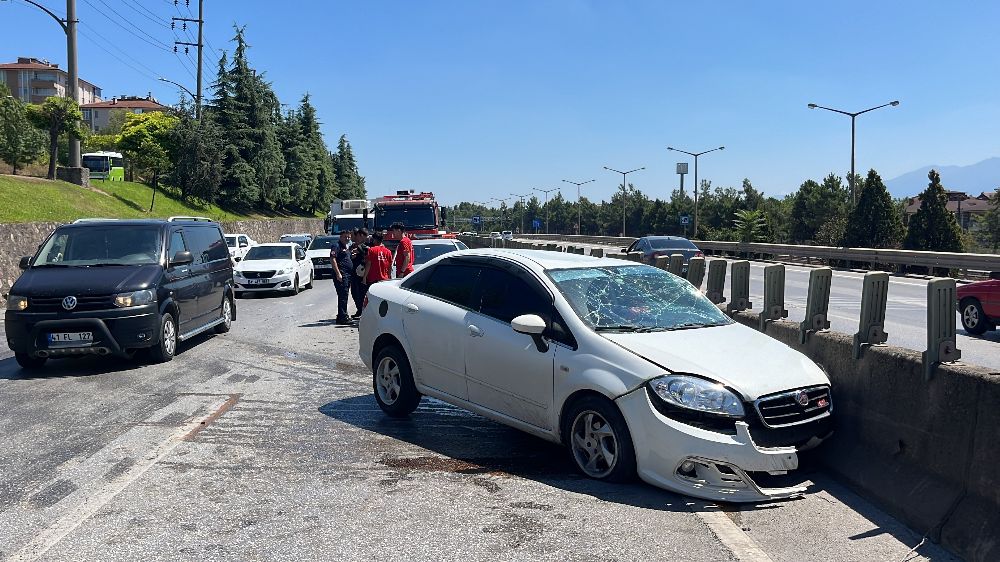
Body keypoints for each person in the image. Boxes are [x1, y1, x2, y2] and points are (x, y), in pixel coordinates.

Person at [330, 229, 353, 325]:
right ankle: (342, 317)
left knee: (345, 295)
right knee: (343, 295)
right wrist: (338, 273)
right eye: (345, 237)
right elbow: (333, 259)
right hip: (342, 274)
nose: (347, 238)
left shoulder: (346, 247)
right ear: (341, 237)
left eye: (349, 237)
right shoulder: (336, 246)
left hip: (347, 274)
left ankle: (342, 314)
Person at [349, 228, 369, 319]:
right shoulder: (353, 245)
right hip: (354, 272)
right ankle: (359, 309)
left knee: (362, 293)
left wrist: (359, 251)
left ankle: (363, 311)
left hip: (362, 273)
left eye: (353, 235)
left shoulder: (365, 245)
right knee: (354, 292)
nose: (351, 237)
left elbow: (368, 251)